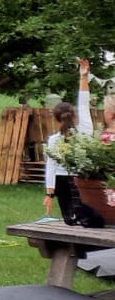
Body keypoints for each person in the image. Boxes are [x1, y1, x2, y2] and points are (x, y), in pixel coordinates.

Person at [45, 59, 94, 221]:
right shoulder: (85, 129)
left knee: (70, 221)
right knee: (87, 221)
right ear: (75, 115)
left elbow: (51, 168)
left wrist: (49, 195)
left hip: (62, 182)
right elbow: (84, 101)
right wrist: (83, 77)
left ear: (57, 120)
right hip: (84, 179)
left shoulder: (53, 140)